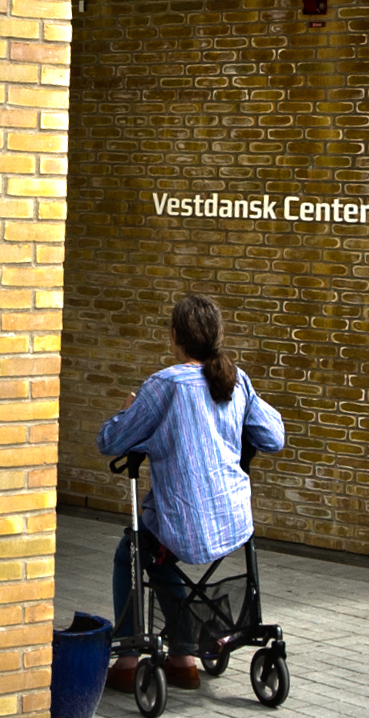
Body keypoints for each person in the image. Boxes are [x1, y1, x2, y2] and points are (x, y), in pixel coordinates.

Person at [97, 293, 285, 690]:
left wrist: (128, 410)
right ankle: (183, 656)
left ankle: (129, 658)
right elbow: (273, 437)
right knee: (158, 554)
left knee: (133, 550)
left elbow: (110, 441)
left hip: (181, 522)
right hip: (232, 522)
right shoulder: (237, 379)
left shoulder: (163, 384)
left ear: (174, 337)